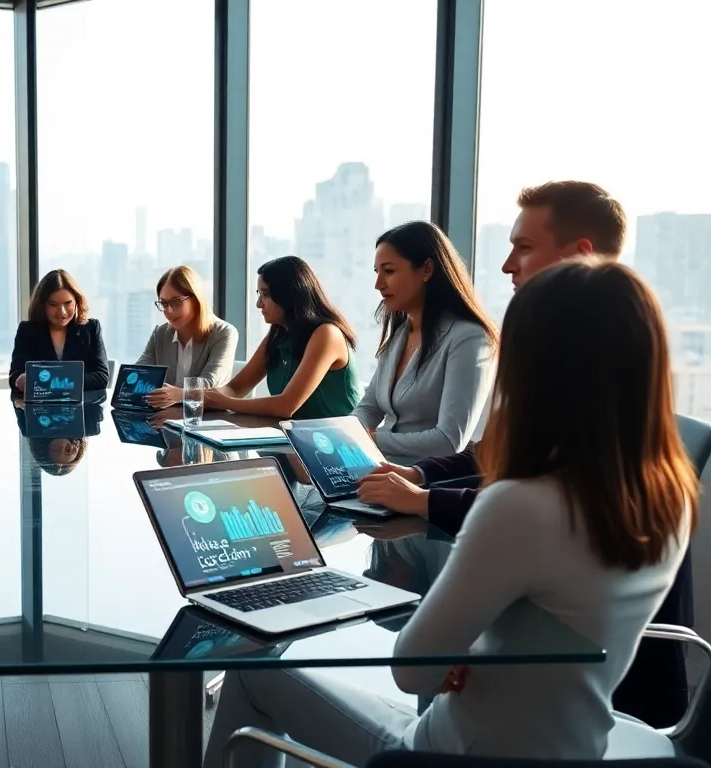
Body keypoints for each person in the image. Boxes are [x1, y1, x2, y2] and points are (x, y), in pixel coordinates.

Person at [205, 258, 697, 764]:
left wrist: (461, 653)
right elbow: (564, 608)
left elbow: (413, 670)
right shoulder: (669, 496)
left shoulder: (522, 506)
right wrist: (479, 650)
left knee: (249, 673)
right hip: (584, 743)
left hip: (459, 751)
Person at [357, 182, 686, 729]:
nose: (507, 266)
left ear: (579, 255)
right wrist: (419, 479)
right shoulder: (665, 480)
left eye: (523, 247)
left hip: (530, 717)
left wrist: (425, 502)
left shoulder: (529, 495)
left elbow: (414, 667)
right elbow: (489, 461)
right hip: (584, 714)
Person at [351, 221, 497, 460]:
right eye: (377, 272)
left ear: (427, 269)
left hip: (428, 482)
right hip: (381, 467)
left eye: (388, 271)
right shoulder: (400, 334)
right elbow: (369, 407)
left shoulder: (469, 338)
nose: (378, 285)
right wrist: (345, 435)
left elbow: (449, 441)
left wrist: (374, 440)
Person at [202, 256, 360, 419]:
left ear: (288, 294)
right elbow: (235, 389)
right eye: (259, 294)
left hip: (336, 440)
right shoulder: (278, 333)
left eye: (265, 294)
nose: (258, 303)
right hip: (293, 437)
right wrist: (192, 396)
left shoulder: (327, 334)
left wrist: (223, 402)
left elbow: (285, 406)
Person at [138, 265, 239, 408]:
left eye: (176, 302)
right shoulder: (160, 334)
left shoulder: (224, 333)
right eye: (164, 303)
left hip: (207, 419)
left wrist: (179, 395)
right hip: (165, 418)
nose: (169, 311)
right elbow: (139, 374)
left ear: (196, 299)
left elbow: (211, 384)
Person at [8, 269, 110, 393]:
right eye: (53, 304)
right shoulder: (27, 331)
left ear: (77, 301)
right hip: (40, 408)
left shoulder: (91, 329)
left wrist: (51, 382)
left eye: (68, 303)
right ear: (42, 305)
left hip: (83, 408)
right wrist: (21, 380)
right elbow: (14, 376)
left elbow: (102, 377)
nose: (62, 312)